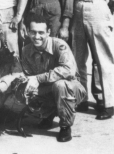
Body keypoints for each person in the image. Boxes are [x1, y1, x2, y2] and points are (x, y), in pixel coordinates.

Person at [20, 14, 86, 142]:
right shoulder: (26, 50)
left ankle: (65, 126)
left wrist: (38, 78)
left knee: (60, 85)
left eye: (41, 32)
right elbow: (29, 76)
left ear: (48, 32)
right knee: (26, 89)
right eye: (33, 32)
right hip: (48, 89)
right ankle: (47, 115)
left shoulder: (59, 45)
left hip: (71, 88)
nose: (37, 36)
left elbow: (68, 70)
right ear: (27, 31)